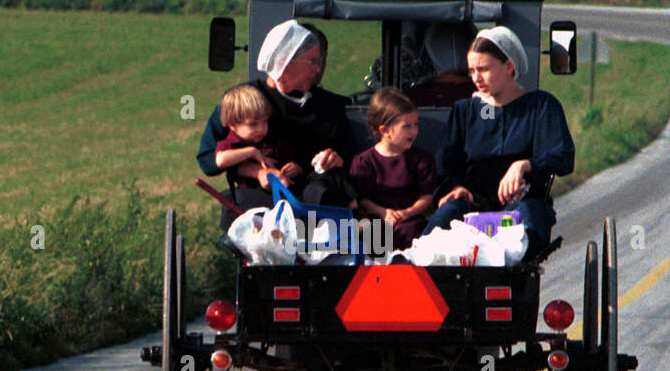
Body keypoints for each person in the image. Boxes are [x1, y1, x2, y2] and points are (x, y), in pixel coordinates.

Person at [422, 25, 575, 259]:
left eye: (483, 69)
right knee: (443, 219)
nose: (476, 78)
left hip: (521, 204)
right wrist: (454, 188)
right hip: (472, 207)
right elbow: (445, 167)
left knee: (521, 227)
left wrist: (524, 165)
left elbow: (563, 156)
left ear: (509, 66)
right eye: (472, 70)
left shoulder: (541, 106)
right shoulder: (465, 111)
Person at [195, 20, 360, 228]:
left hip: (317, 207)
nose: (318, 70)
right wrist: (258, 172)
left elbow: (352, 157)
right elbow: (208, 159)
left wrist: (336, 159)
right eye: (311, 62)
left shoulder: (331, 107)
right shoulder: (244, 100)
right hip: (261, 205)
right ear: (284, 61)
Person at [349, 87, 437, 251]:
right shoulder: (365, 161)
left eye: (415, 125)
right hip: (378, 218)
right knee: (371, 234)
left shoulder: (421, 159)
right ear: (385, 130)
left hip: (410, 219)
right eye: (406, 126)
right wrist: (383, 212)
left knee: (410, 232)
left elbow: (426, 196)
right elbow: (363, 199)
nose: (414, 131)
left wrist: (407, 213)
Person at [213, 84, 303, 197]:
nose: (260, 129)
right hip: (251, 194)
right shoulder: (232, 143)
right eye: (253, 124)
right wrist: (252, 152)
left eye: (265, 122)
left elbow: (291, 158)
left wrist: (295, 168)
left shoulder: (270, 139)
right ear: (232, 125)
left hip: (282, 191)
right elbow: (221, 160)